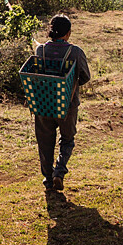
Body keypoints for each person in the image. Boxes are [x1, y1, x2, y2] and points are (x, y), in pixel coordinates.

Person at [34, 14, 90, 192]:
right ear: (68, 33)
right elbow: (85, 77)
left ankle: (48, 180)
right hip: (67, 105)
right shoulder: (76, 52)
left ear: (50, 31)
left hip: (43, 104)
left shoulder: (40, 50)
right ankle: (59, 171)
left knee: (45, 143)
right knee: (67, 139)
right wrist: (72, 85)